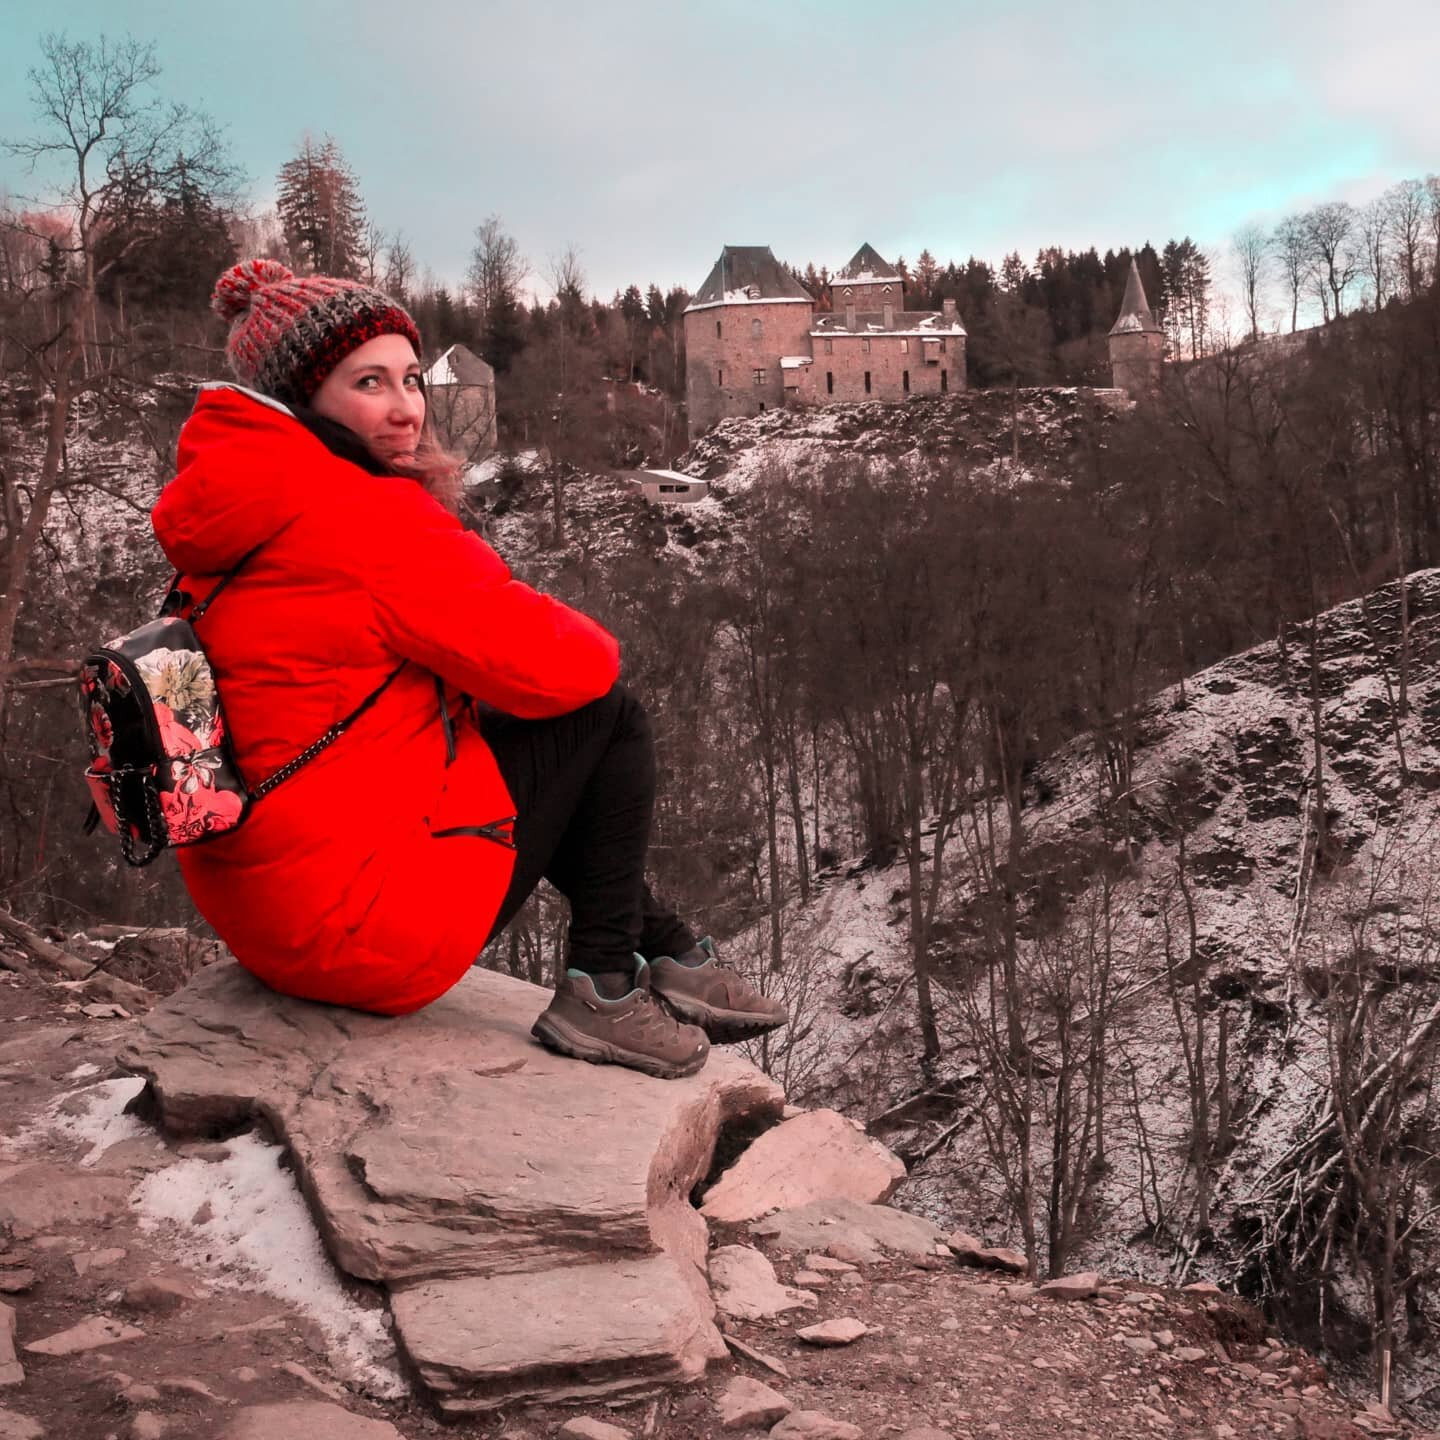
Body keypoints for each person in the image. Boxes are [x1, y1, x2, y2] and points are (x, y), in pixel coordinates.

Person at [149, 257, 787, 1079]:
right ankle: (608, 985)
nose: (407, 407)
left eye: (411, 379)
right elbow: (578, 667)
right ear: (300, 398)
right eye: (369, 382)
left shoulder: (235, 511)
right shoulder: (365, 520)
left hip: (262, 912)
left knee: (500, 735)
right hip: (363, 937)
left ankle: (657, 944)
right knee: (605, 716)